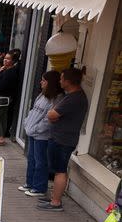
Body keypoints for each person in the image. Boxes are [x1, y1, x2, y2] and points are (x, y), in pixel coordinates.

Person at [38, 67, 89, 212]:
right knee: (57, 169)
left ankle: (56, 202)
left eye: (61, 79)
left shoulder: (74, 98)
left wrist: (52, 114)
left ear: (68, 81)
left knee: (60, 170)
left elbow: (52, 115)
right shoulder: (72, 96)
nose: (59, 81)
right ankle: (55, 197)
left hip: (63, 140)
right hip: (61, 138)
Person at [20, 71, 63, 197]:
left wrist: (36, 129)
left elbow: (49, 120)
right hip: (32, 132)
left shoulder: (57, 99)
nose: (41, 82)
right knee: (31, 159)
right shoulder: (42, 95)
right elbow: (33, 111)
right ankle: (30, 183)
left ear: (51, 83)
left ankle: (39, 187)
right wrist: (26, 123)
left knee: (40, 162)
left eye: (44, 80)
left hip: (42, 136)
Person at [0, 52, 20, 145]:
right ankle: (1, 136)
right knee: (3, 118)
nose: (5, 60)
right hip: (3, 97)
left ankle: (0, 137)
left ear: (13, 61)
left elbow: (4, 85)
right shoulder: (5, 69)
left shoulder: (11, 72)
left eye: (8, 59)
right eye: (5, 58)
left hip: (3, 97)